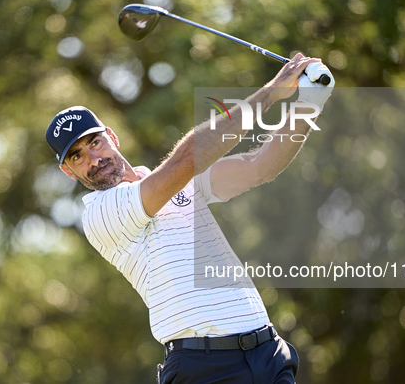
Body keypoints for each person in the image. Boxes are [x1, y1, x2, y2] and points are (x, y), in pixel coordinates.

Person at [45, 53, 334, 383]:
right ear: (68, 171)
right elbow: (185, 162)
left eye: (95, 142)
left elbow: (260, 166)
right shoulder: (100, 213)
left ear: (112, 136)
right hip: (205, 368)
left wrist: (311, 101)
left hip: (267, 352)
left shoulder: (172, 183)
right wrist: (270, 93)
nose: (94, 159)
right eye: (78, 156)